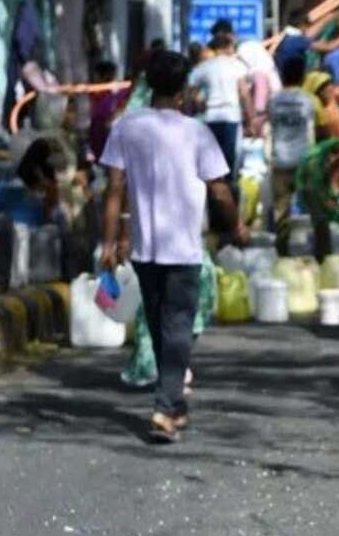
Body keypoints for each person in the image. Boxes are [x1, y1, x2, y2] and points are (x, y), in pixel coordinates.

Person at [99, 51, 248, 442]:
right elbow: (219, 189)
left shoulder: (126, 127)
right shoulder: (196, 132)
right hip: (183, 249)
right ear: (183, 90)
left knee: (162, 325)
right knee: (178, 326)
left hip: (145, 249)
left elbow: (113, 190)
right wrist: (236, 225)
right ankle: (164, 409)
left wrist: (108, 241)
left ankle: (172, 403)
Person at [267, 57, 317, 257]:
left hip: (280, 161)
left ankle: (282, 255)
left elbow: (271, 127)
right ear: (302, 77)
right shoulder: (307, 100)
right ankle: (322, 255)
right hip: (305, 162)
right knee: (316, 211)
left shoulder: (274, 100)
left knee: (282, 214)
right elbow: (311, 130)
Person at [187, 35, 252, 176]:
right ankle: (228, 190)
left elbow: (191, 91)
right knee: (229, 160)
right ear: (229, 47)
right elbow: (244, 94)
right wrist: (250, 119)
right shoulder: (237, 66)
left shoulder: (205, 67)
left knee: (212, 161)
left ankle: (213, 194)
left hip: (211, 117)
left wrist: (201, 104)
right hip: (232, 117)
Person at [273, 10, 339, 73]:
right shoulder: (297, 40)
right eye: (307, 26)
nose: (308, 28)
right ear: (301, 25)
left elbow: (310, 33)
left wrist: (329, 17)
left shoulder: (285, 36)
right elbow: (329, 47)